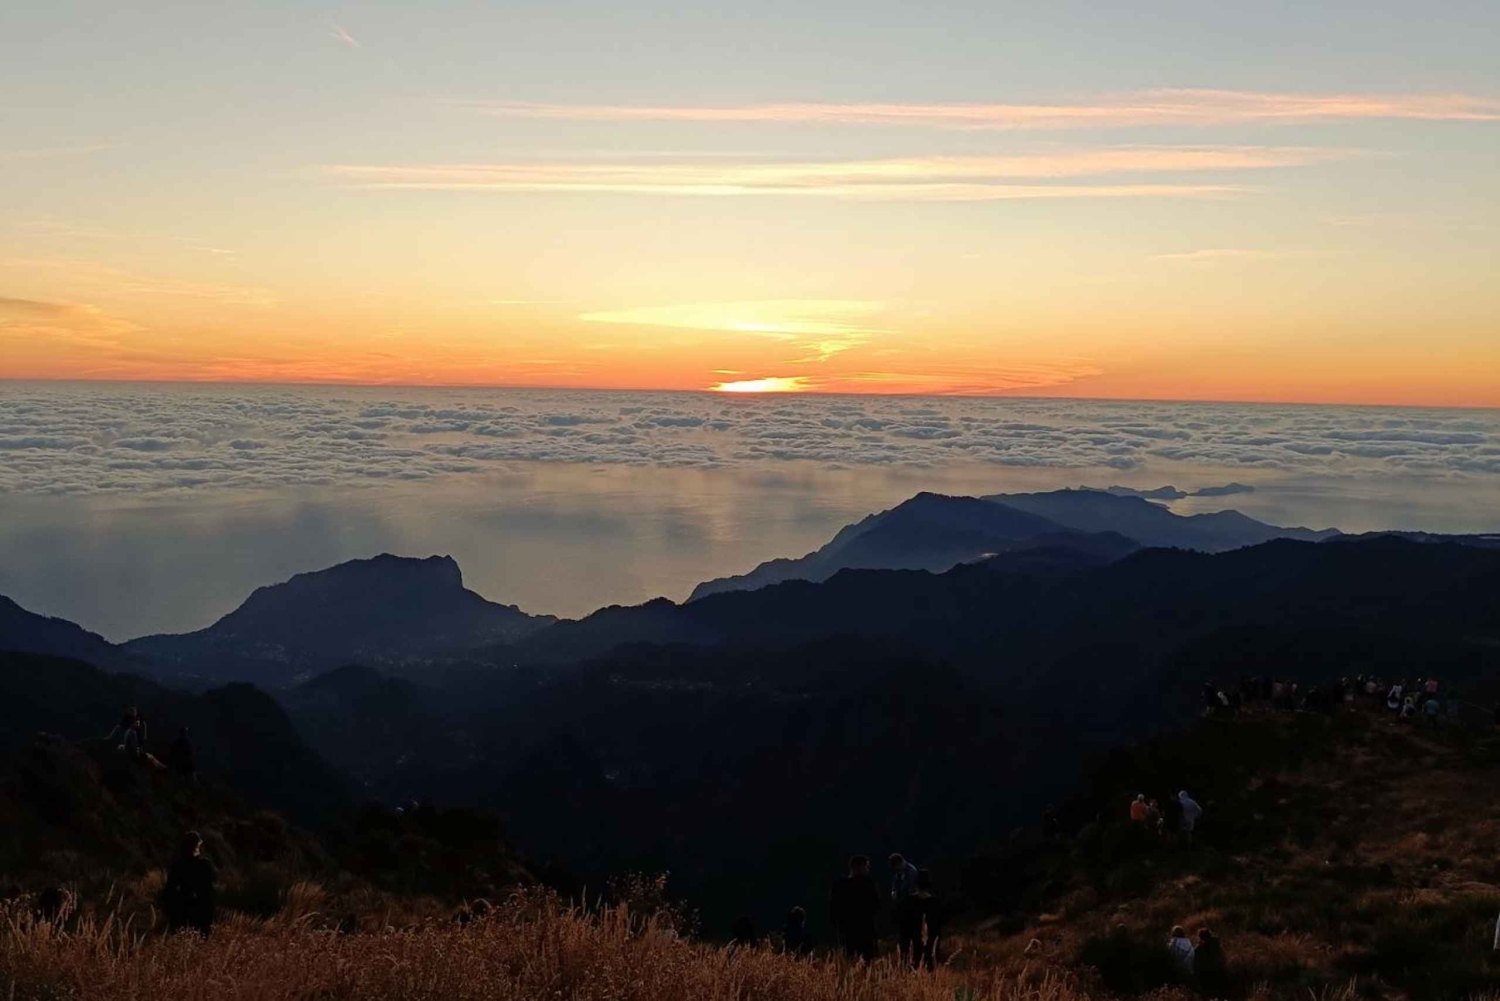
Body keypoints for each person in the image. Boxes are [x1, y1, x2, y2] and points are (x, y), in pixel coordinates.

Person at [161, 831, 216, 936]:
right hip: (200, 909)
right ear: (196, 846)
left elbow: (169, 889)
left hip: (182, 909)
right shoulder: (204, 865)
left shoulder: (177, 865)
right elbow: (210, 889)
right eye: (198, 845)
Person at [828, 855, 881, 962]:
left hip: (847, 932)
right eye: (866, 867)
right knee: (868, 963)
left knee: (850, 961)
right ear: (862, 867)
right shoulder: (868, 884)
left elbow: (833, 909)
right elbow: (876, 905)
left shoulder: (839, 885)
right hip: (866, 931)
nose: (868, 870)